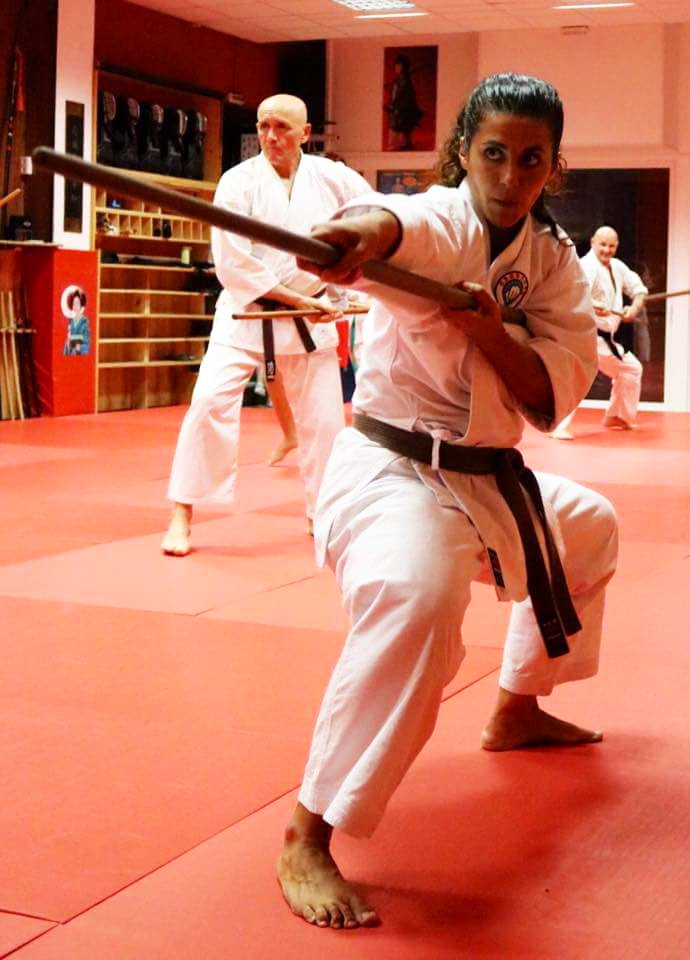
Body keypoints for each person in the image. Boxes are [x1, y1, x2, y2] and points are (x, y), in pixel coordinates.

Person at [276, 73, 618, 929]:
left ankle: (518, 706)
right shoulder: (438, 217)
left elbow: (549, 399)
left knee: (589, 525)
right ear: (464, 150)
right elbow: (395, 226)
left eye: (531, 160)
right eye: (494, 152)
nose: (509, 175)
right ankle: (307, 832)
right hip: (391, 469)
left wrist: (489, 331)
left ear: (553, 167)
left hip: (486, 476)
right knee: (421, 597)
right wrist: (353, 237)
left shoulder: (553, 263)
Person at [161, 94, 371, 556]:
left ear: (305, 133)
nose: (270, 136)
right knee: (208, 403)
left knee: (325, 424)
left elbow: (373, 220)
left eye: (281, 127)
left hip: (310, 316)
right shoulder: (238, 182)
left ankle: (323, 514)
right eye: (263, 126)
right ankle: (182, 513)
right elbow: (232, 261)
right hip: (247, 311)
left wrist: (347, 288)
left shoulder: (334, 179)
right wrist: (298, 299)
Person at [550, 226, 646, 438]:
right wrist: (592, 304)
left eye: (611, 246)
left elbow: (639, 290)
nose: (607, 250)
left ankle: (617, 416)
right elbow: (571, 294)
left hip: (604, 339)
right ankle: (556, 424)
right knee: (576, 377)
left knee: (630, 370)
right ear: (593, 242)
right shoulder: (586, 266)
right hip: (584, 334)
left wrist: (633, 309)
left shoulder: (617, 266)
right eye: (603, 244)